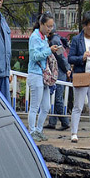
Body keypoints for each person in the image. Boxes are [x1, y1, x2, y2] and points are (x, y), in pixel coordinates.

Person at [67, 10, 90, 144]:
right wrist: (81, 58)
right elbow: (70, 58)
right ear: (85, 25)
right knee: (78, 106)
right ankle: (74, 133)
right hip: (82, 75)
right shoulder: (77, 39)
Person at [27, 13, 61, 142]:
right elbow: (34, 56)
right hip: (35, 74)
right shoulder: (35, 37)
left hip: (45, 76)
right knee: (35, 106)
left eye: (52, 26)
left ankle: (39, 130)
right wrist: (49, 51)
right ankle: (32, 131)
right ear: (41, 24)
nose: (50, 29)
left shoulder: (44, 38)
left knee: (46, 107)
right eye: (48, 26)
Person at [45, 30, 71, 131]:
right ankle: (52, 122)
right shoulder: (57, 39)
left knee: (57, 98)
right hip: (60, 72)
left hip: (59, 72)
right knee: (55, 98)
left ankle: (65, 122)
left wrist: (67, 68)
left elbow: (60, 57)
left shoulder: (54, 41)